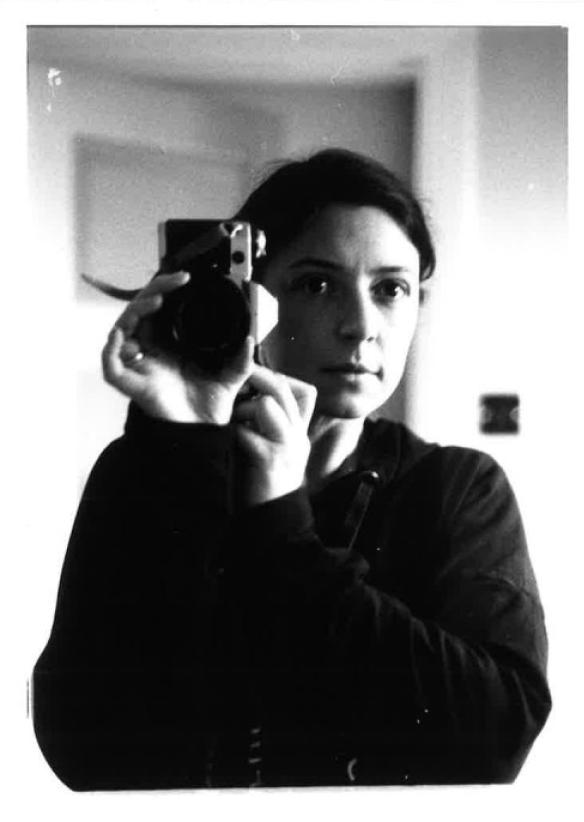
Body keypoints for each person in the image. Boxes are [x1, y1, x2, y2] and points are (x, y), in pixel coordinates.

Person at [32, 148, 551, 790]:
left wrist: (282, 528)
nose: (362, 326)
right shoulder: (145, 467)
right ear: (254, 300)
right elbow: (85, 751)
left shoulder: (457, 488)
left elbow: (496, 740)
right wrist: (180, 447)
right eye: (317, 283)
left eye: (392, 289)